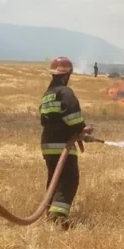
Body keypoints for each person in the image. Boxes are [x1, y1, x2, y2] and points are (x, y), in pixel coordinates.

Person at [39, 56, 92, 229]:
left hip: (47, 143)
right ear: (67, 75)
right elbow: (73, 116)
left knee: (55, 177)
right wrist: (81, 130)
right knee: (69, 179)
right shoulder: (65, 92)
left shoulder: (47, 94)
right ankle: (58, 216)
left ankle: (49, 211)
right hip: (62, 143)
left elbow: (45, 119)